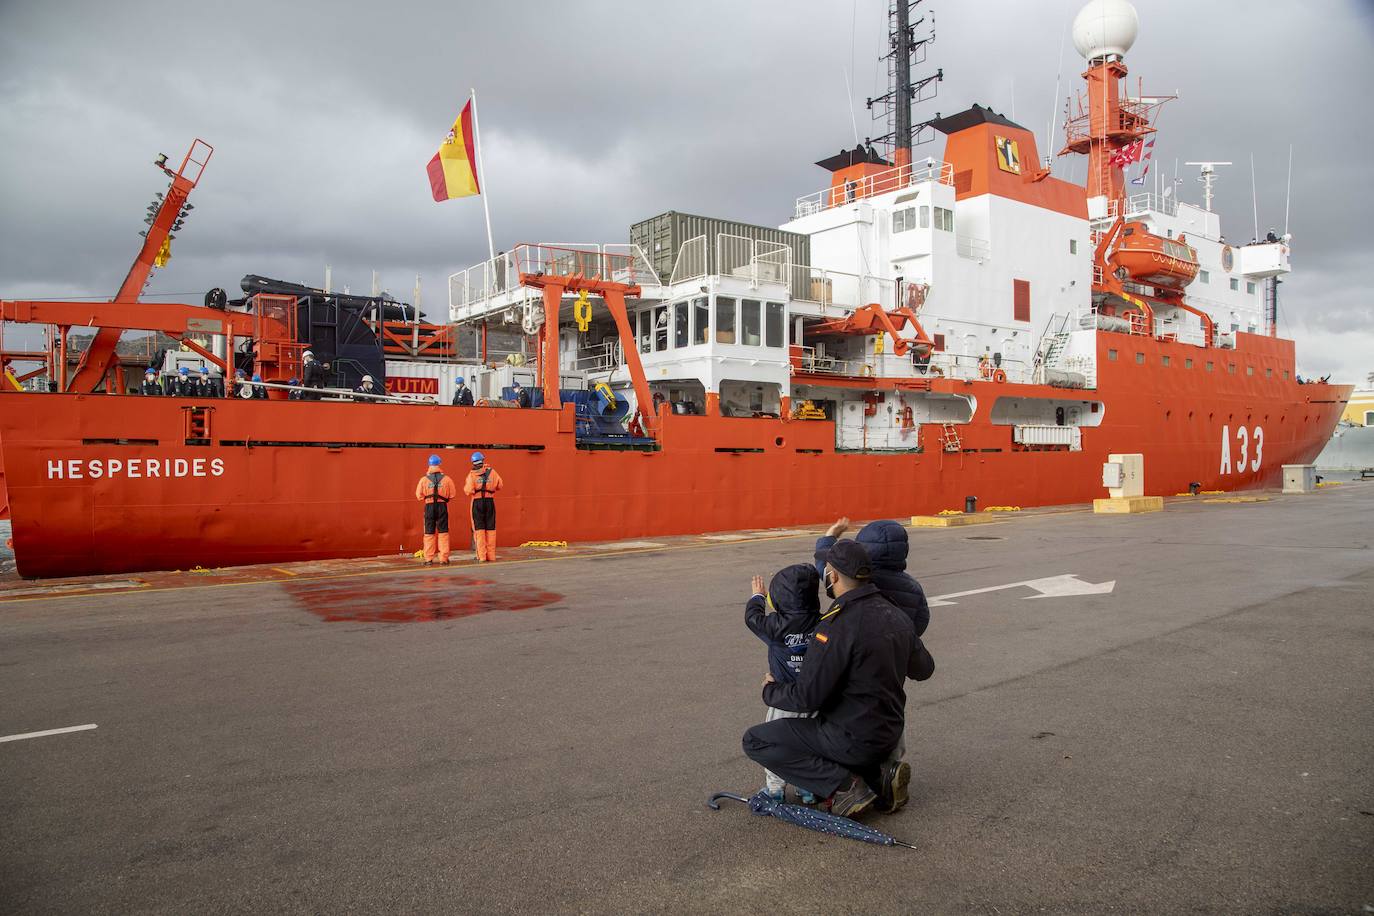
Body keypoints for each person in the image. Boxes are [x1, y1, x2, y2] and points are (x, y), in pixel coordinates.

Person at [742, 540, 915, 818]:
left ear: (832, 576)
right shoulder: (895, 615)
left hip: (851, 737)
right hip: (890, 734)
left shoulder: (836, 626)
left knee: (757, 740)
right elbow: (924, 668)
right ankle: (879, 776)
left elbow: (808, 697)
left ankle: (845, 786)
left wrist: (769, 691)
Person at [815, 517, 932, 812]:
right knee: (890, 710)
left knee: (843, 715)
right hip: (891, 664)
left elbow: (825, 569)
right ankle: (889, 770)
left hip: (855, 664)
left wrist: (829, 536)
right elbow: (920, 622)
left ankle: (846, 780)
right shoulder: (913, 588)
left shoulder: (855, 580)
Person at [745, 564, 822, 803]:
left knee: (773, 742)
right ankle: (807, 788)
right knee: (810, 744)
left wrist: (758, 596)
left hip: (783, 697)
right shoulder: (822, 622)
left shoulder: (775, 626)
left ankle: (775, 789)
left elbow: (752, 618)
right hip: (814, 696)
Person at [414, 454, 457, 565]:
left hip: (429, 507)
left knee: (429, 533)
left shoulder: (423, 480)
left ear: (429, 465)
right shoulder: (447, 479)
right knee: (443, 532)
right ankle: (443, 558)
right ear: (439, 464)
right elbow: (452, 494)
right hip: (442, 507)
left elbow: (419, 495)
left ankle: (428, 559)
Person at [464, 451, 504, 562]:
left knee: (479, 530)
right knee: (491, 529)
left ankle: (481, 557)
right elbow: (500, 485)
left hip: (477, 503)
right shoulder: (492, 472)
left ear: (473, 462)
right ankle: (491, 556)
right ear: (483, 460)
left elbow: (468, 490)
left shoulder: (472, 475)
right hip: (490, 502)